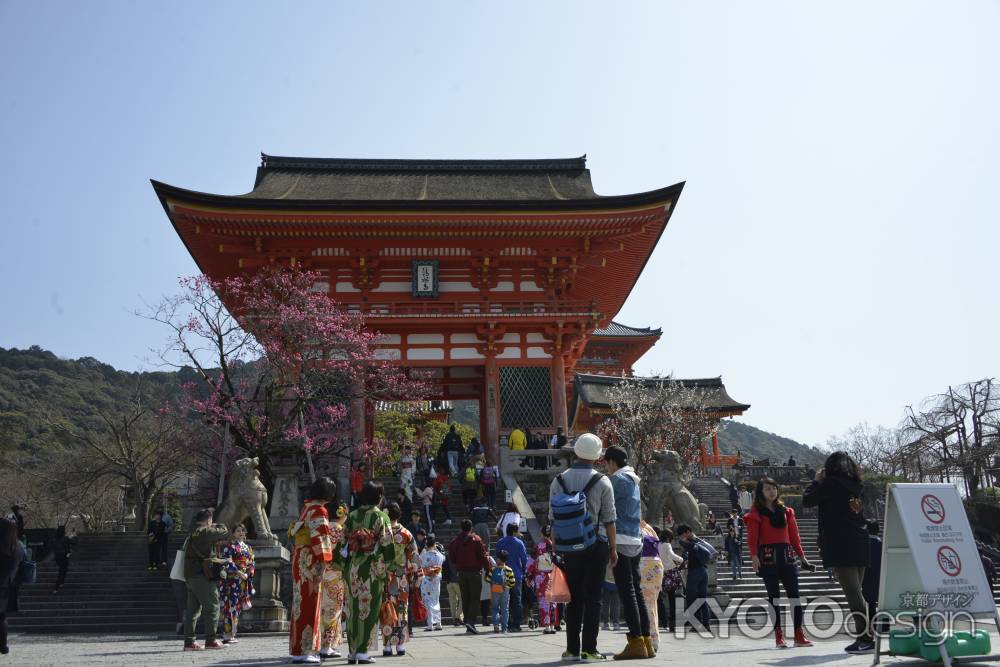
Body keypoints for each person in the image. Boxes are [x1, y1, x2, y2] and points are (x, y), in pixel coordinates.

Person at [548, 432, 617, 662]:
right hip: (596, 544)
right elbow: (609, 519)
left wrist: (556, 546)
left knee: (574, 597)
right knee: (593, 598)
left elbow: (553, 520)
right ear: (597, 456)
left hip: (569, 546)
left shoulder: (558, 481)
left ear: (576, 452)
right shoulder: (603, 481)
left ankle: (571, 649)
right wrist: (613, 549)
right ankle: (590, 649)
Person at [803, 451, 872, 655]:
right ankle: (866, 636)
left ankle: (866, 638)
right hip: (860, 542)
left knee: (853, 593)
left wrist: (816, 481)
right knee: (857, 592)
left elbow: (808, 500)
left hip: (842, 544)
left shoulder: (831, 484)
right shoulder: (856, 486)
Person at [745, 477, 813, 648]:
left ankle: (799, 634)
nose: (772, 492)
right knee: (774, 597)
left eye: (774, 488)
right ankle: (779, 636)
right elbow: (752, 538)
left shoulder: (787, 511)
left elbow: (794, 536)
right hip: (768, 559)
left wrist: (802, 556)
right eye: (767, 489)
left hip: (788, 558)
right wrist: (754, 557)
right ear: (760, 492)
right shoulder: (756, 513)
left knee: (795, 597)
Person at [604, 444, 652, 659]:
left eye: (607, 464)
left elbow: (604, 508)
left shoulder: (616, 480)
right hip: (635, 540)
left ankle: (635, 642)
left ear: (612, 462)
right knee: (636, 591)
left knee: (627, 592)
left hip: (621, 540)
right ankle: (646, 641)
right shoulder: (634, 481)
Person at [344, 481, 396, 665]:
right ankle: (362, 651)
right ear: (379, 497)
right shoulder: (381, 517)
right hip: (372, 568)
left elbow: (343, 543)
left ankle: (352, 651)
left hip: (353, 567)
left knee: (353, 608)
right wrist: (389, 567)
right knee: (370, 608)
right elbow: (387, 545)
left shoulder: (351, 516)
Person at [288, 477, 337, 664]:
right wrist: (324, 563)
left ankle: (299, 648)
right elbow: (320, 538)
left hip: (300, 558)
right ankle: (304, 649)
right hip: (310, 561)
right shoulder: (318, 510)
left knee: (300, 604)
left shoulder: (306, 508)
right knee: (309, 604)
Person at [182, 508, 230, 651]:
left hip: (190, 575)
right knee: (213, 607)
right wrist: (216, 525)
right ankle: (211, 640)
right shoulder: (206, 532)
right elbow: (224, 530)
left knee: (193, 610)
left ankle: (189, 642)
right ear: (208, 520)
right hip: (202, 575)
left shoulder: (192, 531)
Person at [448, 518, 490, 634]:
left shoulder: (455, 541)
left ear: (461, 528)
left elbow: (452, 558)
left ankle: (467, 621)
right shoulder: (476, 540)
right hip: (475, 573)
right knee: (475, 598)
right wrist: (488, 570)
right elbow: (484, 557)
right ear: (471, 528)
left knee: (465, 598)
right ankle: (471, 622)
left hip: (461, 573)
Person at [320, 504, 348, 660]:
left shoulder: (324, 527)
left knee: (323, 609)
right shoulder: (339, 529)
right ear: (342, 514)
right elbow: (344, 553)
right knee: (333, 610)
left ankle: (321, 644)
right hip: (335, 574)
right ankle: (327, 646)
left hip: (322, 573)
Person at [218, 524, 255, 644]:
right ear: (233, 533)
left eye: (242, 531)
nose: (240, 533)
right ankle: (227, 634)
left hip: (243, 581)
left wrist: (248, 574)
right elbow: (227, 561)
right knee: (230, 605)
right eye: (238, 531)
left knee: (238, 607)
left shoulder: (248, 548)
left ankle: (233, 633)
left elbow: (252, 563)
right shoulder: (230, 547)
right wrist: (238, 572)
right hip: (232, 581)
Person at [676, 524, 712, 631]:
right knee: (702, 599)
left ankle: (696, 625)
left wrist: (683, 539)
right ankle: (706, 624)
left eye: (682, 534)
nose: (681, 537)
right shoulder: (700, 541)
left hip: (695, 572)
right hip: (704, 571)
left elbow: (682, 543)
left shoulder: (691, 542)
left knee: (692, 599)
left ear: (687, 532)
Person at [496, 523, 529, 632]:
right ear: (515, 531)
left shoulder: (500, 542)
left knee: (504, 600)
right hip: (516, 575)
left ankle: (506, 623)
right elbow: (524, 559)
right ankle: (516, 624)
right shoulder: (519, 543)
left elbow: (497, 557)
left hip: (502, 575)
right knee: (516, 600)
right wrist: (525, 571)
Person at [0, 519, 26, 656]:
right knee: (1, 617)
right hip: (7, 587)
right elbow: (24, 565)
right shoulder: (19, 547)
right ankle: (3, 645)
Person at [527, 526, 559, 634]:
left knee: (543, 602)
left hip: (541, 576)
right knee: (552, 602)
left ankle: (547, 626)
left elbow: (531, 561)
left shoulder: (539, 546)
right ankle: (552, 626)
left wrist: (528, 575)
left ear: (542, 533)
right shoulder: (554, 546)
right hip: (552, 575)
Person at [637, 521, 664, 653]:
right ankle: (652, 638)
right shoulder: (648, 527)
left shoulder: (630, 525)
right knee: (652, 605)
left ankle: (650, 640)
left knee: (645, 606)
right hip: (656, 565)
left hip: (643, 565)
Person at [657, 528, 684, 634]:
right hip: (670, 573)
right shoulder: (667, 545)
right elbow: (672, 555)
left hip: (660, 573)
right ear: (668, 538)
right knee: (672, 599)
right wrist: (682, 560)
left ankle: (664, 622)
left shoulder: (657, 545)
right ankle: (672, 623)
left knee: (661, 598)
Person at [862, 520, 886, 638]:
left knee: (871, 603)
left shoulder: (864, 544)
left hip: (867, 577)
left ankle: (873, 626)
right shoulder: (883, 545)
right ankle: (885, 625)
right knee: (883, 602)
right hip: (882, 576)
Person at [419, 534, 446, 631]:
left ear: (426, 543)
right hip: (436, 579)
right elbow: (444, 559)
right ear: (434, 543)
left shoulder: (424, 554)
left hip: (427, 579)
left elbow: (420, 563)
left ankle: (430, 624)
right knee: (436, 600)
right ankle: (438, 623)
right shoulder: (439, 555)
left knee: (428, 601)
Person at [489, 549, 516, 632]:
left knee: (495, 608)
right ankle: (504, 628)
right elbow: (512, 582)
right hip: (505, 590)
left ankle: (496, 625)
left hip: (495, 589)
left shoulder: (493, 569)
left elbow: (487, 578)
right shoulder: (509, 570)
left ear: (498, 559)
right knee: (505, 609)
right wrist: (508, 586)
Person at [50, 525, 76, 594]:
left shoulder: (55, 539)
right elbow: (74, 542)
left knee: (63, 570)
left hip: (58, 557)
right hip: (64, 556)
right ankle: (56, 587)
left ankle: (61, 583)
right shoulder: (65, 538)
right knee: (62, 571)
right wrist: (74, 534)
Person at [443, 549, 463, 627]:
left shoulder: (447, 556)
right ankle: (458, 616)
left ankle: (454, 618)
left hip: (449, 581)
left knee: (452, 601)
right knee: (463, 599)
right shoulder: (458, 555)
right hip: (457, 581)